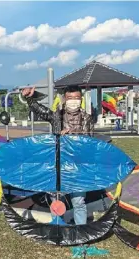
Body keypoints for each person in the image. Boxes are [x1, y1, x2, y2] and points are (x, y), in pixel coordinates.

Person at [21, 85, 94, 225]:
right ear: (64, 99)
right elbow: (41, 111)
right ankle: (57, 228)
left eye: (77, 98)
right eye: (70, 98)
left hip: (78, 167)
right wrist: (29, 99)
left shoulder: (87, 119)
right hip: (59, 167)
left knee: (78, 201)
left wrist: (73, 139)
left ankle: (81, 231)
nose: (74, 101)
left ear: (81, 99)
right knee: (56, 201)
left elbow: (89, 144)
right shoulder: (57, 117)